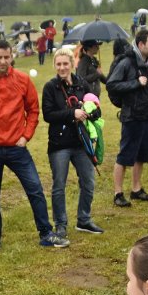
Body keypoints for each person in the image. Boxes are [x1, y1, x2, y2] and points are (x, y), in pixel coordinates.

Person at [0, 40, 69, 252]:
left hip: (16, 148)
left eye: (6, 57)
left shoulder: (22, 80)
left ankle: (46, 233)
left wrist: (25, 136)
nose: (2, 61)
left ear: (12, 57)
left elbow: (33, 110)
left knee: (35, 189)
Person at [42, 48, 103, 237]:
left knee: (88, 181)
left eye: (65, 63)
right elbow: (48, 115)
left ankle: (84, 219)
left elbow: (95, 105)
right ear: (55, 66)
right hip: (59, 145)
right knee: (59, 185)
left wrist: (90, 113)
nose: (62, 67)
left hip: (80, 142)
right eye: (58, 64)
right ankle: (60, 224)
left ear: (72, 64)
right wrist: (72, 114)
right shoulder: (50, 87)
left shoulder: (81, 83)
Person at [106, 29, 148, 208]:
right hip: (132, 117)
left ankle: (136, 189)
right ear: (140, 44)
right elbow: (112, 84)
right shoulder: (127, 62)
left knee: (142, 155)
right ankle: (118, 193)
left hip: (147, 116)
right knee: (125, 156)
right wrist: (136, 83)